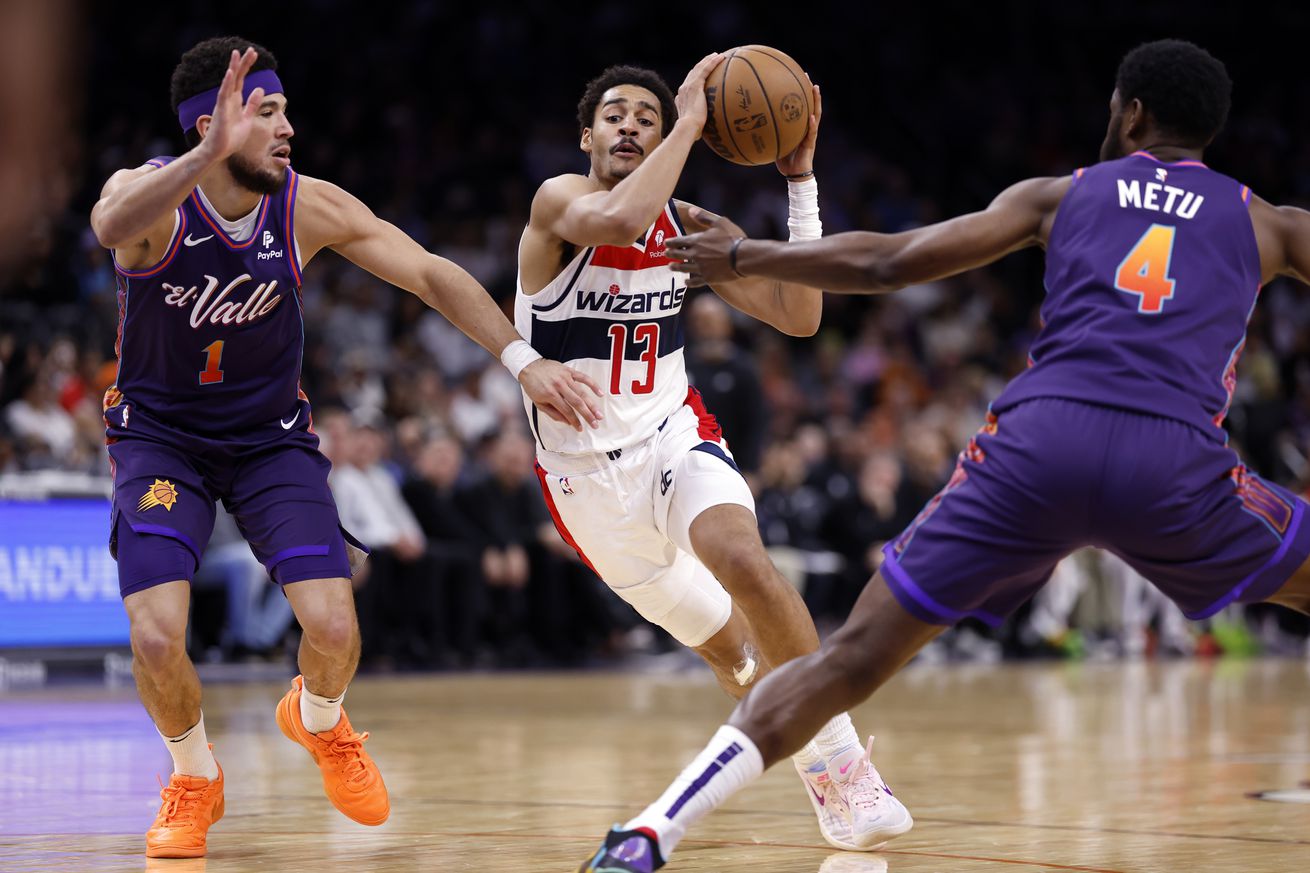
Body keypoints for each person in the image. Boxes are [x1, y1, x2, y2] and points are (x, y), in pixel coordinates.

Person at [579, 38, 1310, 871]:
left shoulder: (1059, 196)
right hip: (1176, 461)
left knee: (847, 660)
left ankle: (650, 831)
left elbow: (891, 260)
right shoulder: (1270, 223)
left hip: (1039, 444)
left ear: (1131, 111)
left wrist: (742, 256)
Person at [89, 38, 600, 859]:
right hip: (161, 442)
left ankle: (318, 720)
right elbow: (109, 223)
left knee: (332, 626)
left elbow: (430, 274)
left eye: (287, 107)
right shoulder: (149, 200)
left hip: (268, 441)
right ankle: (193, 774)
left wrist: (523, 361)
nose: (289, 124)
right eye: (267, 111)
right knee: (155, 636)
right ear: (209, 125)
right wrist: (204, 157)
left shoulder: (305, 205)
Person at [518, 56, 912, 855]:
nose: (631, 125)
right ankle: (818, 760)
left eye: (649, 118)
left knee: (743, 557)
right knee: (733, 656)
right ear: (586, 134)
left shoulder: (681, 229)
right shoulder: (560, 200)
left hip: (673, 429)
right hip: (587, 484)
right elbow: (620, 221)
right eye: (617, 115)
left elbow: (799, 316)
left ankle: (841, 766)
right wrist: (691, 118)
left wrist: (799, 183)